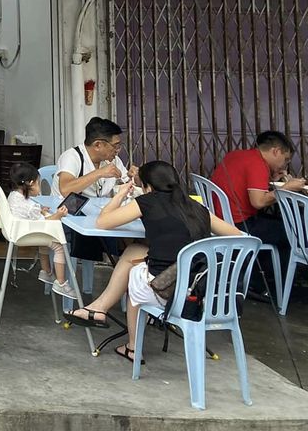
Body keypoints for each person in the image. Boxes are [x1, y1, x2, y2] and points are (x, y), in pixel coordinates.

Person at [64, 161, 242, 364]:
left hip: (167, 288)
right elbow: (236, 235)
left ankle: (132, 347)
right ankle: (99, 309)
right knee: (134, 251)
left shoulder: (147, 201)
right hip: (200, 287)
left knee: (135, 274)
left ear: (147, 187)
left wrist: (121, 194)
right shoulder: (196, 207)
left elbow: (103, 222)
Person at [211, 130, 306, 295]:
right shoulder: (258, 164)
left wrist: (273, 180)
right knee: (293, 233)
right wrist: (287, 188)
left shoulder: (236, 155)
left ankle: (258, 280)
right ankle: (268, 287)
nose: (284, 165)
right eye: (285, 159)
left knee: (278, 225)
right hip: (239, 225)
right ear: (275, 151)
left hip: (221, 220)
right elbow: (258, 201)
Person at [55, 116, 134, 263]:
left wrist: (135, 178)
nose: (118, 150)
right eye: (115, 146)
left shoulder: (113, 160)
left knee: (123, 227)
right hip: (69, 214)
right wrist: (99, 173)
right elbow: (65, 189)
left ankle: (112, 262)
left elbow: (127, 182)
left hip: (97, 215)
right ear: (98, 145)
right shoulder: (72, 157)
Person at [7, 162, 79, 300]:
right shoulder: (30, 206)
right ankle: (61, 282)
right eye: (39, 183)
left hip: (17, 230)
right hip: (25, 234)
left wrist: (40, 210)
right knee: (58, 245)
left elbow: (23, 211)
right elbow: (46, 223)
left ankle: (46, 271)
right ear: (31, 183)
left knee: (45, 242)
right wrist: (58, 215)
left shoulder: (14, 196)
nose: (39, 187)